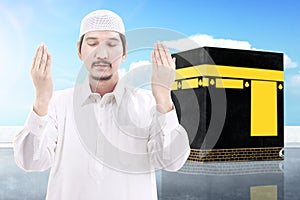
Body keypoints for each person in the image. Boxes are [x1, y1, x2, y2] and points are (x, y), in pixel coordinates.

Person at [13, 9, 190, 200]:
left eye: (112, 44)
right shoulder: (56, 103)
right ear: (79, 51)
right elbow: (30, 161)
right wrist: (41, 99)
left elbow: (172, 162)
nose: (102, 53)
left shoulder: (148, 103)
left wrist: (163, 97)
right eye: (92, 43)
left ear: (124, 53)